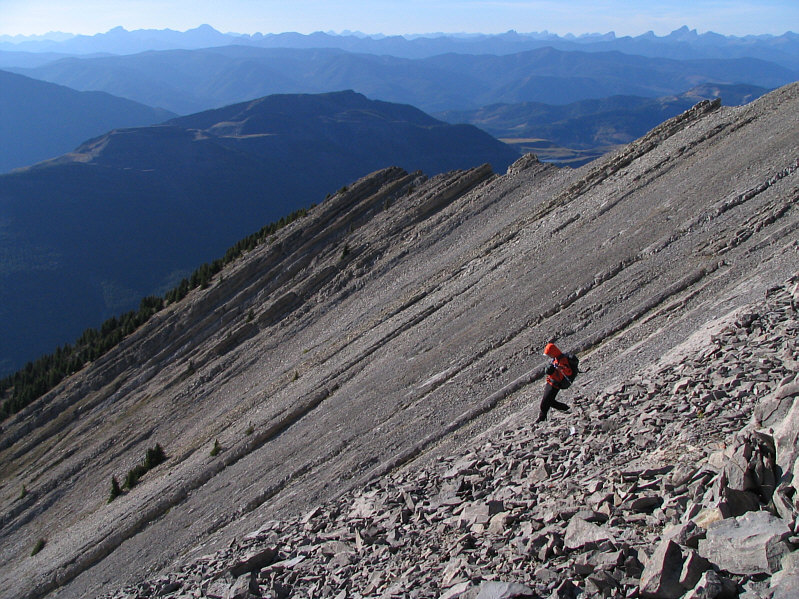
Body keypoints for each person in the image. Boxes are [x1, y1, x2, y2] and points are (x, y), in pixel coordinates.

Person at [537, 342, 574, 422]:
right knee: (549, 401)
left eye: (549, 354)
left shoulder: (562, 360)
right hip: (551, 382)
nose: (549, 356)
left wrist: (561, 369)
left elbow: (569, 372)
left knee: (545, 402)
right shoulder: (557, 358)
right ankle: (566, 409)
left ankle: (541, 419)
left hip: (555, 385)